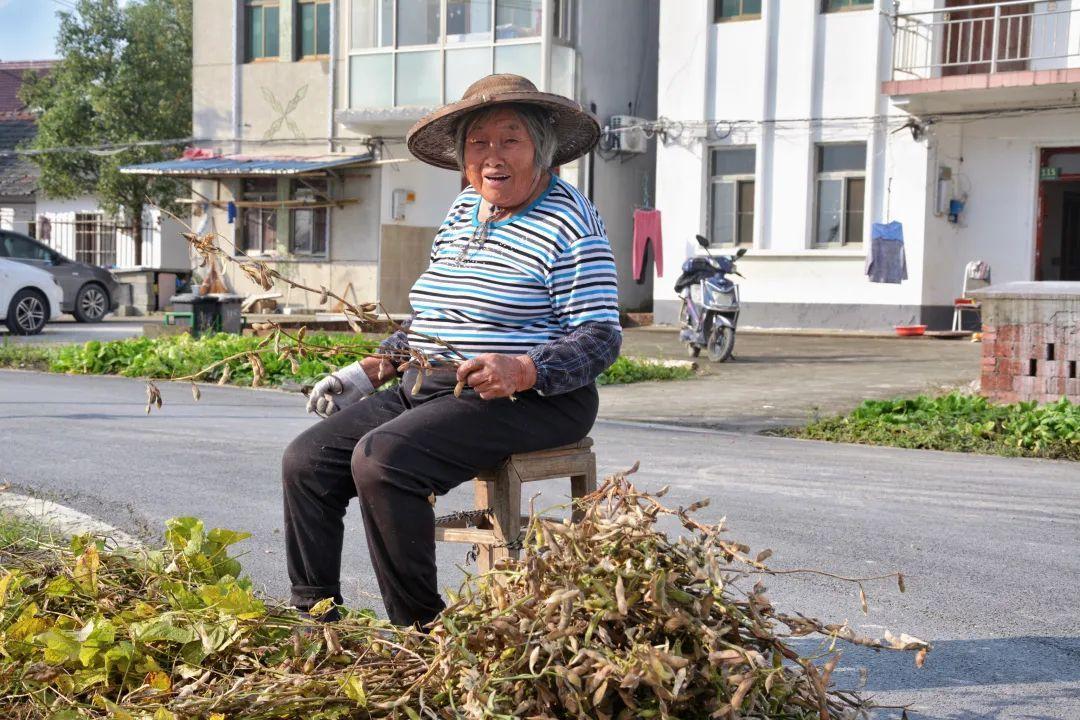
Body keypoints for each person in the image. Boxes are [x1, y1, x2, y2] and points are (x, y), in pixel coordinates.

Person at [281, 74, 622, 627]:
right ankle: (317, 618)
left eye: (510, 140)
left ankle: (421, 631)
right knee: (307, 461)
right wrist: (373, 369)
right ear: (462, 157)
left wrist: (526, 368)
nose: (493, 157)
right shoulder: (466, 209)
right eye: (478, 143)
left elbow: (600, 336)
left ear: (541, 149)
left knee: (383, 460)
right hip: (434, 381)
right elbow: (435, 318)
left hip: (535, 399)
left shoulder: (570, 222)